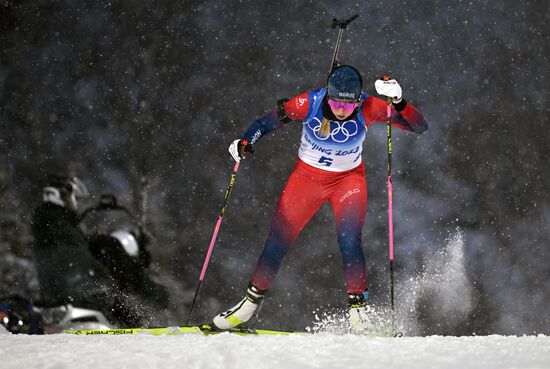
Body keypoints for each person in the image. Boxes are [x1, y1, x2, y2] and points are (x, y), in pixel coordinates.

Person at [212, 65, 428, 331]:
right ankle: (247, 306)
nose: (341, 110)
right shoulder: (309, 102)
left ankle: (359, 315)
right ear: (328, 94)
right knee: (278, 239)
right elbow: (266, 122)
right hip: (307, 179)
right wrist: (246, 141)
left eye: (348, 105)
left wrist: (398, 100)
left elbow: (419, 126)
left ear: (357, 100)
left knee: (350, 240)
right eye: (336, 102)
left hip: (348, 180)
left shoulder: (369, 106)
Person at [31, 175, 116, 311]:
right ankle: (128, 329)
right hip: (71, 287)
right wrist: (102, 269)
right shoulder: (59, 222)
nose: (75, 203)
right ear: (61, 196)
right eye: (74, 198)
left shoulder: (49, 220)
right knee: (113, 295)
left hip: (57, 287)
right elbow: (77, 254)